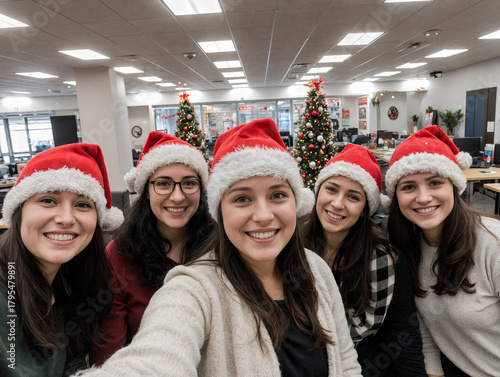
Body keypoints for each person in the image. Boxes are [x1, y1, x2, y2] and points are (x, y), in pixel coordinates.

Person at [75, 118, 361, 376]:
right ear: (219, 212)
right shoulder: (192, 287)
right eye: (242, 199)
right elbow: (157, 354)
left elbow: (345, 361)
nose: (263, 215)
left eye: (277, 195)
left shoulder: (316, 270)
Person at [89, 131, 214, 365]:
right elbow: (108, 352)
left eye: (189, 183)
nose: (177, 197)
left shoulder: (220, 245)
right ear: (146, 190)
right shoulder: (119, 255)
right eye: (163, 184)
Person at [385, 125, 500, 376]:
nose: (423, 197)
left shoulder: (493, 243)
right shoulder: (408, 248)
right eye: (408, 187)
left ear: (454, 187)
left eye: (435, 182)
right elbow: (425, 328)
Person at [302, 144, 426, 376]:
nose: (337, 203)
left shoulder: (382, 258)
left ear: (364, 209)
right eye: (331, 189)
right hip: (303, 359)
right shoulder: (293, 246)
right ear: (318, 192)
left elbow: (402, 331)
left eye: (353, 196)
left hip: (364, 361)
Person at [0, 143, 123, 376]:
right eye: (48, 200)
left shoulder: (72, 282)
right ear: (19, 210)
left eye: (82, 204)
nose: (66, 218)